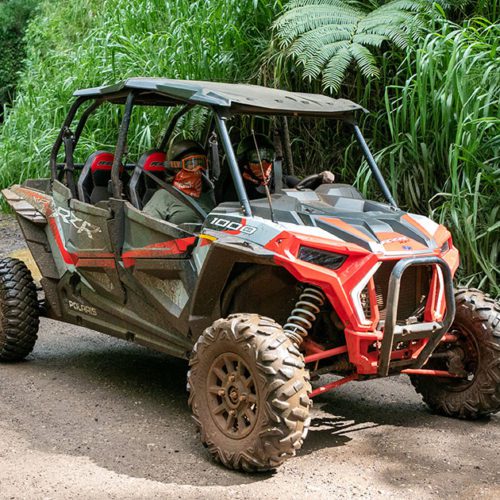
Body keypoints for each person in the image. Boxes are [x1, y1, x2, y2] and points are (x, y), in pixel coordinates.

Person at [143, 139, 215, 224]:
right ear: (175, 167)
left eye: (201, 163)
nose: (198, 168)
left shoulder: (207, 198)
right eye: (191, 164)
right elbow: (146, 226)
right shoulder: (163, 196)